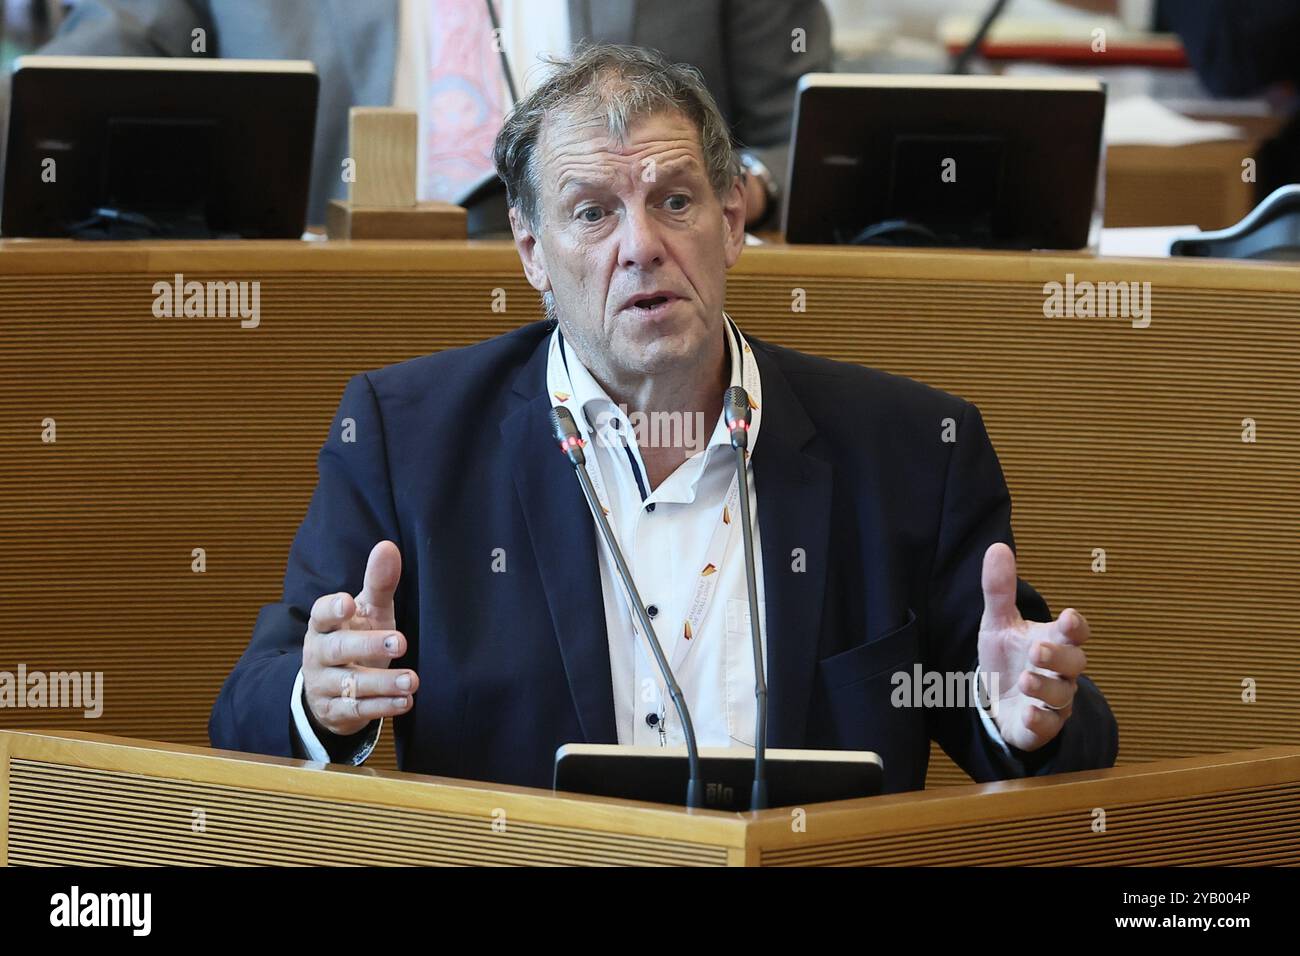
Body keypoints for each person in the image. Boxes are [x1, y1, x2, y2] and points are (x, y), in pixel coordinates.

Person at [209, 43, 1119, 795]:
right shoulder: (409, 440)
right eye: (592, 213)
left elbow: (1052, 727)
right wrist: (320, 696)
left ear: (731, 220)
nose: (641, 245)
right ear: (530, 250)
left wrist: (1026, 716)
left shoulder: (913, 450)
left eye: (674, 201)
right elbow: (246, 711)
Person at [5, 0, 831, 227]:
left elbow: (806, 134)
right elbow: (68, 102)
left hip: (631, 321)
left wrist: (739, 188)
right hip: (308, 319)